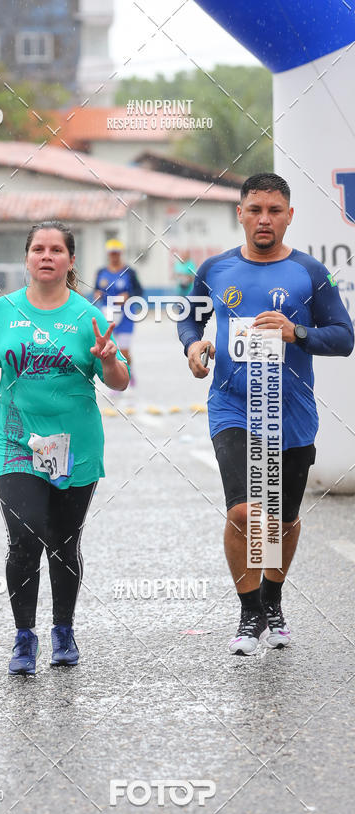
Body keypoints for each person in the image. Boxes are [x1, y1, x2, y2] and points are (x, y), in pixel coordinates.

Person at [177, 172, 354, 656]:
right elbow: (189, 317)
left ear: (289, 216)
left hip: (290, 412)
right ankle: (248, 609)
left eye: (274, 211)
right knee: (243, 512)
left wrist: (296, 333)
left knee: (282, 520)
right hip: (232, 406)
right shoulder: (214, 269)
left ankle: (273, 599)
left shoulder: (310, 273)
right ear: (240, 213)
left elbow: (344, 337)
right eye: (255, 209)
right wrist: (194, 347)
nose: (264, 219)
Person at [0, 221, 130, 675]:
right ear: (27, 258)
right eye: (38, 249)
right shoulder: (1, 311)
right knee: (24, 536)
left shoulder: (88, 315)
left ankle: (64, 628)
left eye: (57, 249)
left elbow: (120, 382)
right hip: (16, 440)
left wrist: (110, 360)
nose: (46, 256)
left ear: (71, 260)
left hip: (76, 443)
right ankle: (23, 636)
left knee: (63, 541)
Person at [93, 239, 143, 385]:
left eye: (116, 253)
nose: (114, 256)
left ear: (120, 254)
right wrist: (97, 294)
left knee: (125, 350)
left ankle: (129, 372)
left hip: (126, 315)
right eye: (111, 253)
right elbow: (96, 290)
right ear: (108, 254)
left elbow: (139, 290)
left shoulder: (129, 272)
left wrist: (128, 296)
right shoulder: (101, 272)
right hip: (107, 314)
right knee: (110, 349)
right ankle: (114, 378)